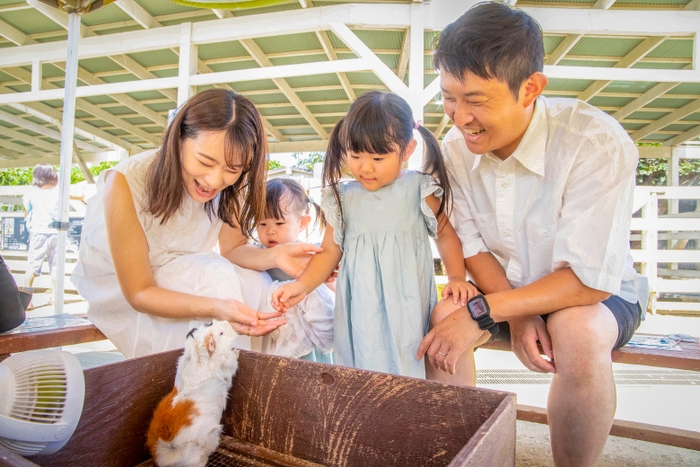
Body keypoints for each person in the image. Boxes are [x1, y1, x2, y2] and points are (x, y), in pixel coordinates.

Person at [415, 3, 648, 467]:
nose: (460, 117)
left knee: (575, 330)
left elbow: (588, 280)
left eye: (476, 99)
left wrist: (486, 311)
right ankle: (463, 458)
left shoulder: (594, 141)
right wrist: (516, 317)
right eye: (448, 97)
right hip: (505, 291)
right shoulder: (455, 152)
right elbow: (472, 245)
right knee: (445, 314)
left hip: (593, 295)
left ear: (530, 88)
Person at [72, 88, 323, 359]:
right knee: (213, 276)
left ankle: (257, 379)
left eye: (232, 169)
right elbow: (139, 292)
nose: (215, 181)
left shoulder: (233, 182)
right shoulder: (125, 182)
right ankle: (217, 388)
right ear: (178, 139)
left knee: (254, 280)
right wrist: (216, 307)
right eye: (205, 161)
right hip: (129, 291)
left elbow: (233, 249)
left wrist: (276, 255)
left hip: (184, 273)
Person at [272, 91, 478, 378]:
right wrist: (302, 286)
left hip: (407, 306)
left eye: (378, 157)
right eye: (355, 155)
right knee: (362, 374)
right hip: (360, 311)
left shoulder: (418, 189)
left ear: (407, 150)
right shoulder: (344, 198)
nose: (365, 168)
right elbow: (330, 252)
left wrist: (456, 278)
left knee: (409, 368)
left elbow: (444, 234)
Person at [256, 178, 334, 363]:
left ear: (302, 223)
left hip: (305, 338)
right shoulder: (256, 255)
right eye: (262, 224)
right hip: (272, 333)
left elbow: (329, 285)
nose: (270, 231)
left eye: (279, 223)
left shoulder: (309, 254)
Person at [22, 164, 59, 302]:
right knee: (55, 267)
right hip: (56, 232)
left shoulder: (32, 194)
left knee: (32, 266)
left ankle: (27, 299)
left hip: (38, 232)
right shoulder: (58, 192)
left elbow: (26, 213)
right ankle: (55, 297)